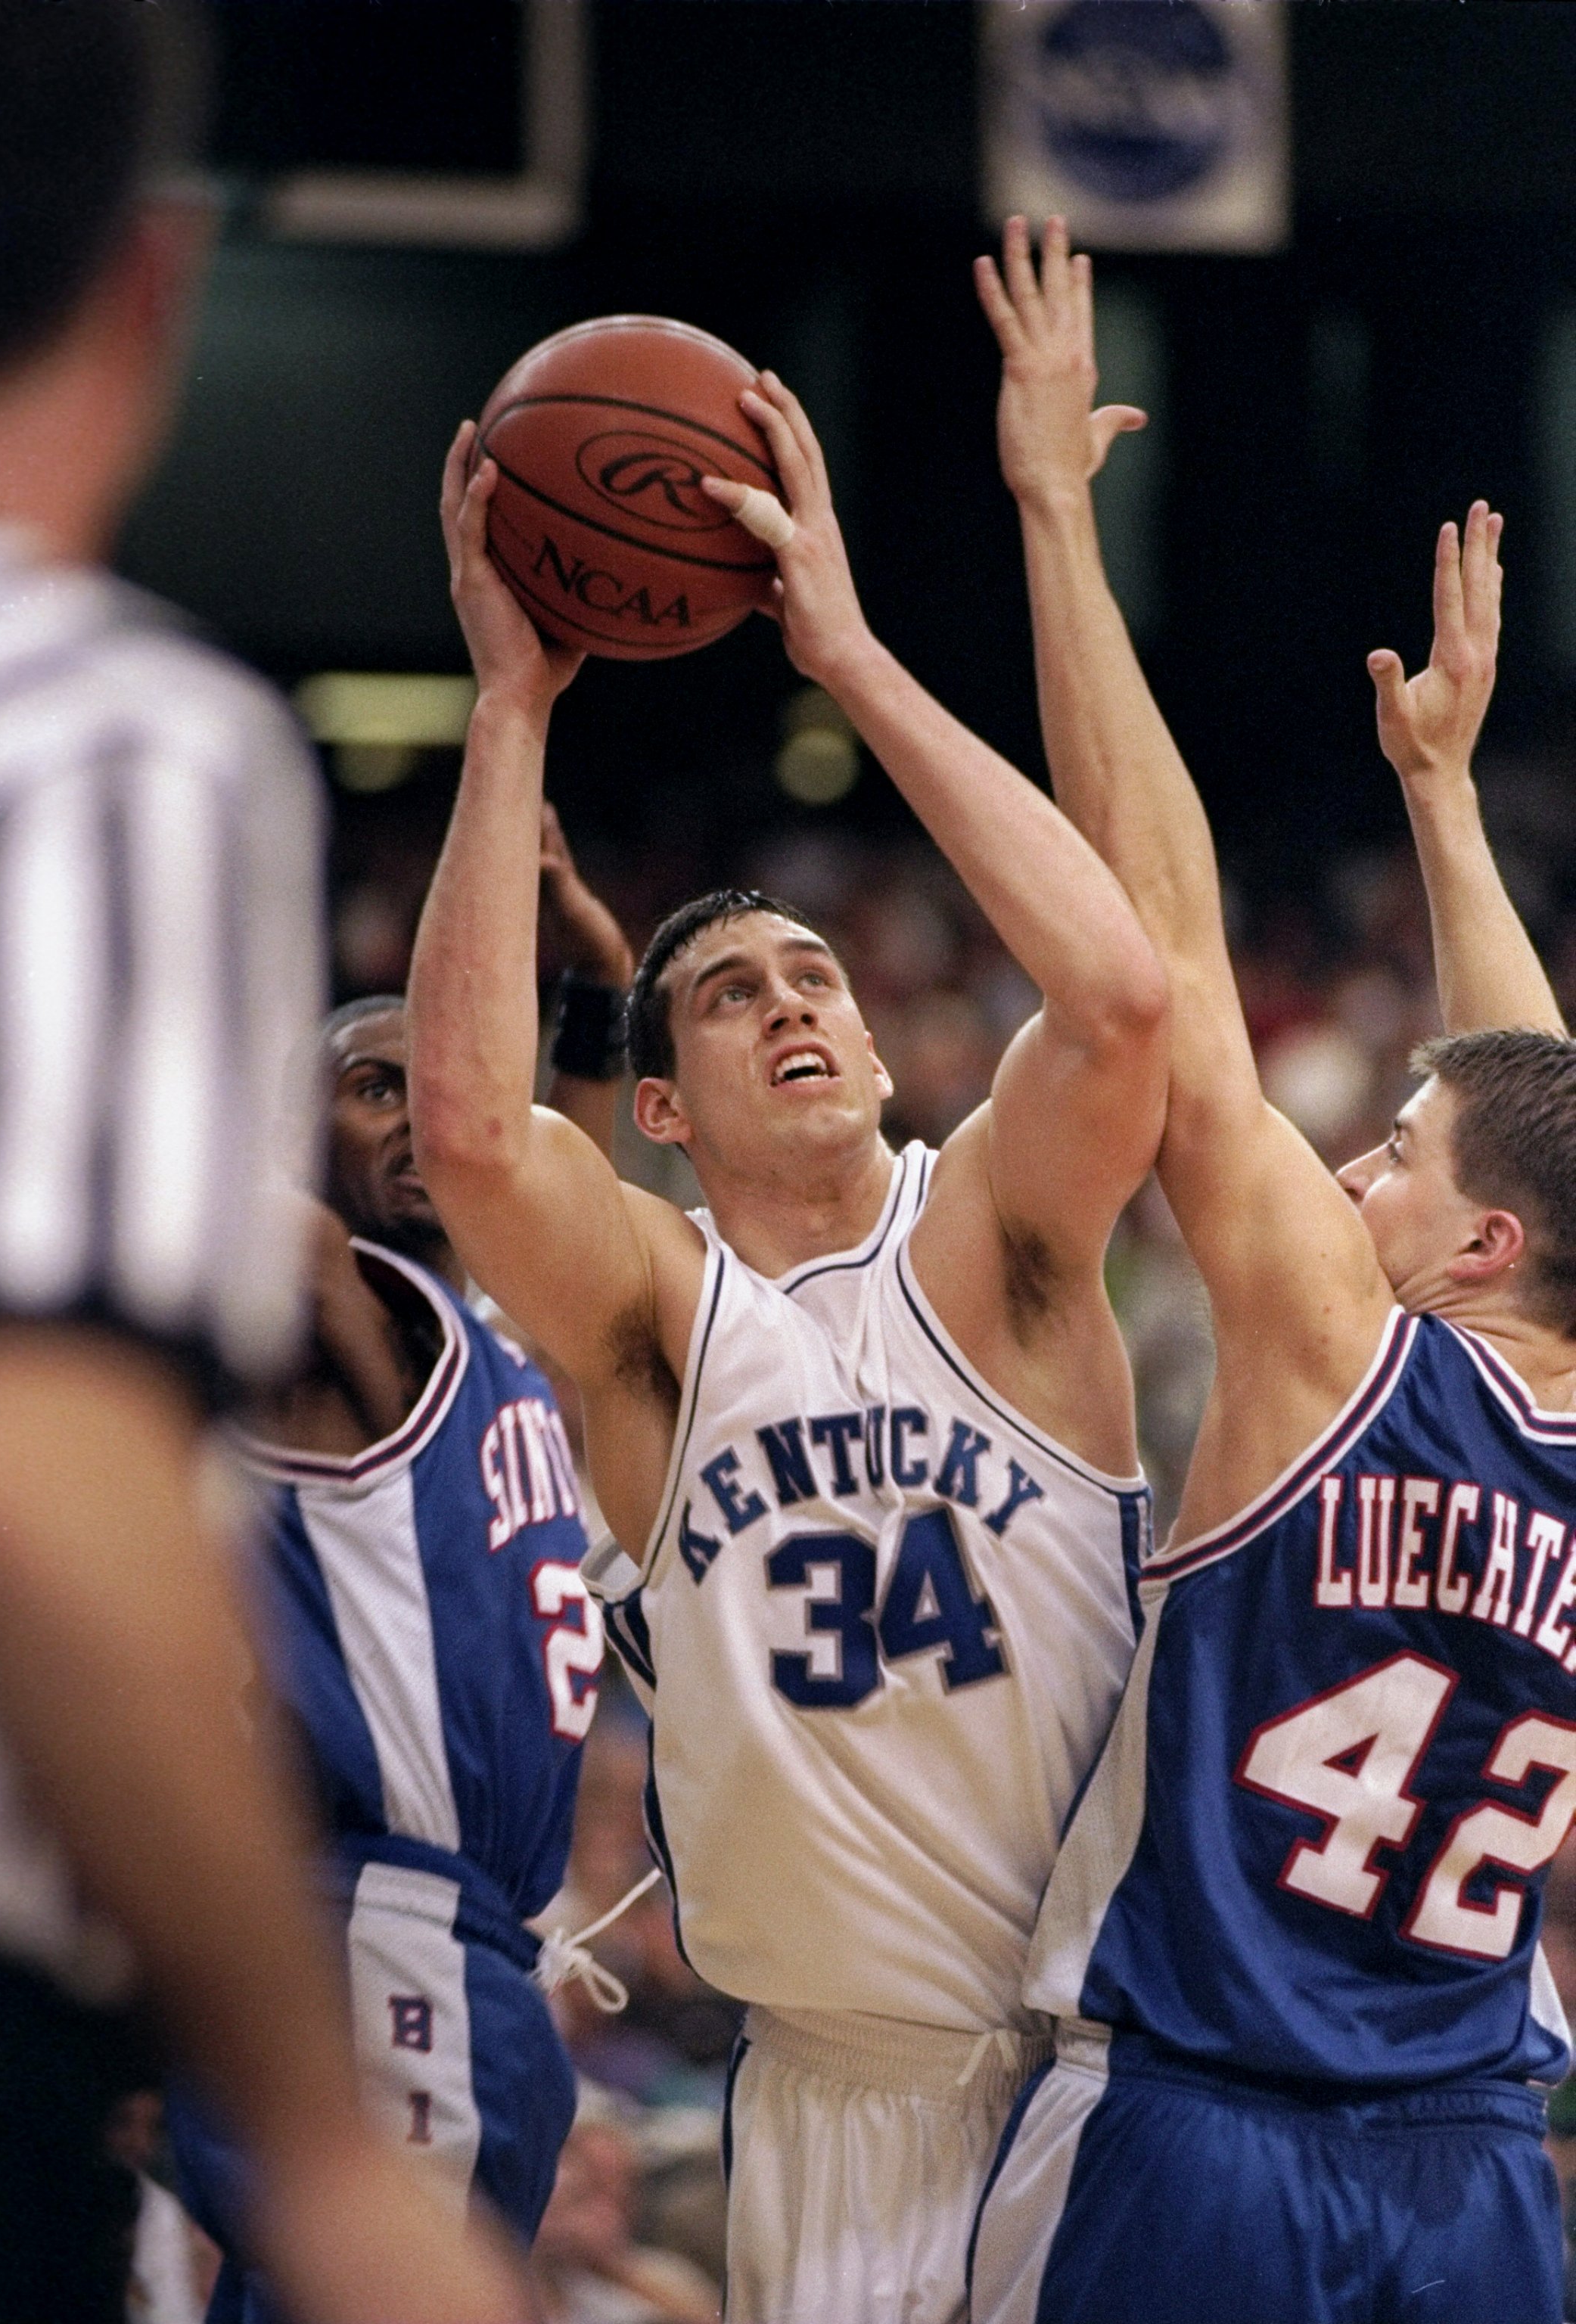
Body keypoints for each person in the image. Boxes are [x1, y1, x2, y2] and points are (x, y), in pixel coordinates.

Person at [406, 365, 1170, 2323]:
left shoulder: (997, 1233)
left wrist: (840, 645)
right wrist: (511, 706)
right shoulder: (664, 1314)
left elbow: (1116, 996)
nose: (792, 1002)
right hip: (836, 2100)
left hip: (1116, 2076)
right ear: (660, 1108)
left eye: (814, 971)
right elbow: (478, 1136)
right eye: (733, 997)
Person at [968, 214, 1576, 2324]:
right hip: (1479, 2160)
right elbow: (1541, 1121)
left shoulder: (1338, 1343)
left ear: (1480, 1247)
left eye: (1390, 1161)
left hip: (1212, 2130)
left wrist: (1054, 523)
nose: (1350, 1166)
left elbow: (1160, 937)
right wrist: (1446, 804)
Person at [0, 2, 531, 2317]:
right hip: (336, 1931)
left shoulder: (522, 1307)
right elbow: (49, 1463)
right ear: (155, 280)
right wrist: (309, 2150)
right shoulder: (103, 741)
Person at [172, 816, 635, 2317]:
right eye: (372, 1090)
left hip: (465, 1947)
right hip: (385, 1928)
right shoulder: (348, 1308)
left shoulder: (501, 1337)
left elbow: (542, 1154)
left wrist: (600, 982)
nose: (428, 1118)